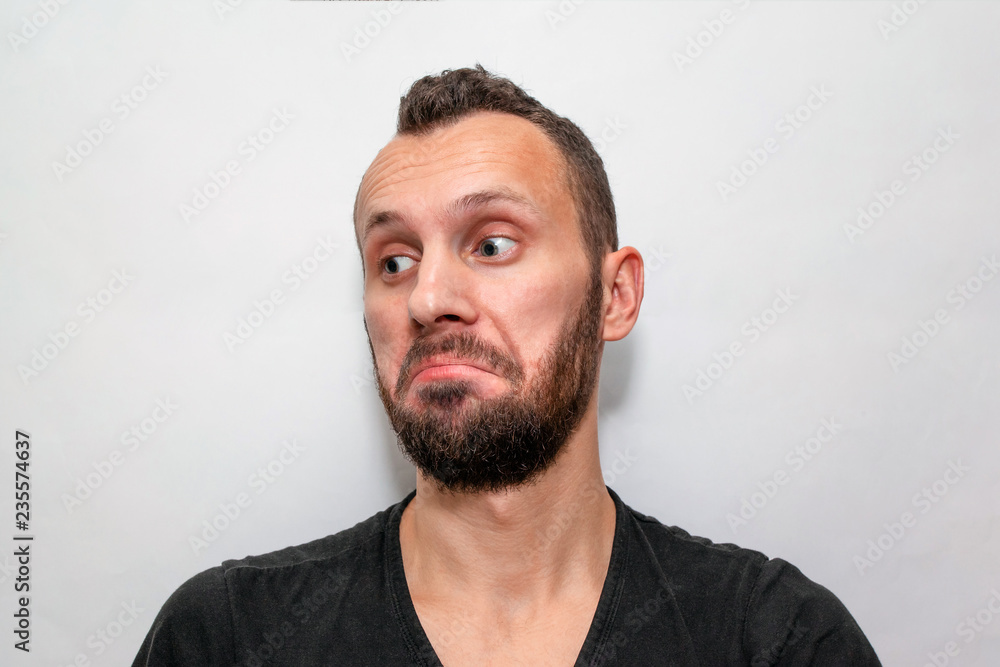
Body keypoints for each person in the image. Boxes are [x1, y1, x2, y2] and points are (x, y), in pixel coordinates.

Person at [133, 65, 881, 666]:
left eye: (492, 244)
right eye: (394, 260)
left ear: (615, 295)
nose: (427, 298)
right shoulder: (225, 637)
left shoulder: (775, 639)